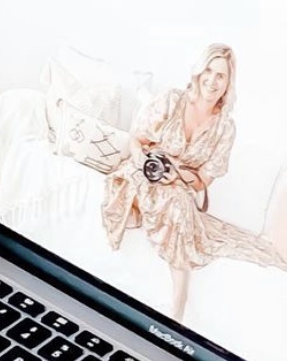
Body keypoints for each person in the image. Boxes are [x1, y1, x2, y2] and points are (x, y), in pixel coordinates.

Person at [101, 43, 287, 321]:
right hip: (141, 173)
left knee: (178, 201)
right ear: (198, 72)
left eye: (220, 76)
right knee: (175, 202)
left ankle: (176, 305)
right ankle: (179, 303)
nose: (212, 81)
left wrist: (177, 173)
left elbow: (201, 182)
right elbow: (136, 139)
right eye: (208, 71)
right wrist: (143, 160)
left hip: (179, 187)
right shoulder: (171, 100)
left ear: (228, 84)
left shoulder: (225, 128)